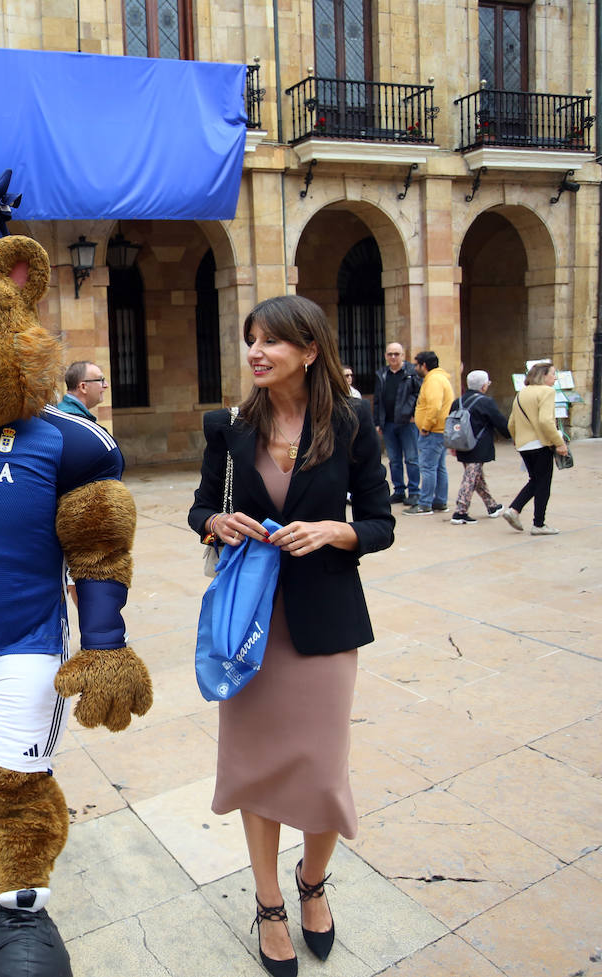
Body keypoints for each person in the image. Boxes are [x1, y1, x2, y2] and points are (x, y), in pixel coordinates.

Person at [189, 295, 394, 977]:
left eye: (272, 340)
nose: (256, 351)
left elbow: (378, 521)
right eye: (251, 338)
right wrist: (216, 523)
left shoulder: (352, 420)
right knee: (254, 765)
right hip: (249, 619)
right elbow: (201, 506)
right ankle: (269, 900)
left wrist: (336, 531)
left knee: (321, 767)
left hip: (324, 617)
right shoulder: (229, 426)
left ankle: (313, 881)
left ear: (309, 350)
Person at [503, 361, 570, 535]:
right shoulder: (547, 392)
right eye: (553, 374)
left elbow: (511, 422)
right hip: (540, 443)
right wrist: (559, 443)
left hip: (524, 444)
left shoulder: (522, 393)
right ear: (544, 376)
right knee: (543, 484)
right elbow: (546, 421)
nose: (555, 377)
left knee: (536, 480)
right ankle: (538, 524)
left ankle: (514, 510)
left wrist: (516, 439)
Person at [449, 370, 510, 525]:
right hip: (478, 445)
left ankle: (491, 506)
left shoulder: (458, 401)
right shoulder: (486, 402)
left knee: (476, 476)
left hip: (462, 443)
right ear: (483, 386)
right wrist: (510, 435)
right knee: (471, 477)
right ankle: (460, 511)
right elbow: (499, 421)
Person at [406, 350, 454, 515]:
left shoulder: (433, 380)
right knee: (439, 467)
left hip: (433, 431)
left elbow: (434, 406)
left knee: (428, 468)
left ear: (424, 365)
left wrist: (426, 426)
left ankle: (425, 503)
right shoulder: (440, 378)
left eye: (417, 364)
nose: (415, 368)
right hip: (440, 430)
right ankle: (439, 501)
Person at [372, 342, 422, 504]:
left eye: (396, 354)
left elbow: (419, 395)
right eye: (390, 354)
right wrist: (377, 421)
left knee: (412, 458)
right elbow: (378, 399)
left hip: (407, 422)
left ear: (403, 355)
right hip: (388, 423)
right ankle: (399, 490)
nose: (393, 357)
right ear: (386, 356)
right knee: (394, 459)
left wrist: (415, 414)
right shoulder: (382, 374)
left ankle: (414, 491)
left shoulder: (412, 373)